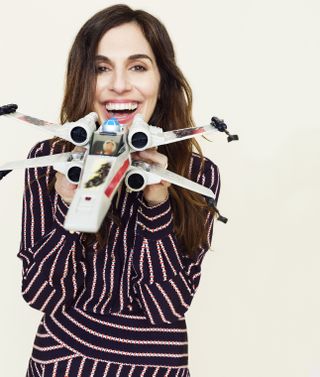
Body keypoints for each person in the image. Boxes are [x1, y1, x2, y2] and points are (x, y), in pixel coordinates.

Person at [19, 4, 221, 376]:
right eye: (101, 68)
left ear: (163, 80)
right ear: (83, 78)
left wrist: (157, 199)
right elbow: (42, 294)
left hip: (156, 368)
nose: (119, 85)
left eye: (138, 67)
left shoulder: (196, 175)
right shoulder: (51, 158)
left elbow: (168, 306)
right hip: (64, 362)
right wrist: (69, 204)